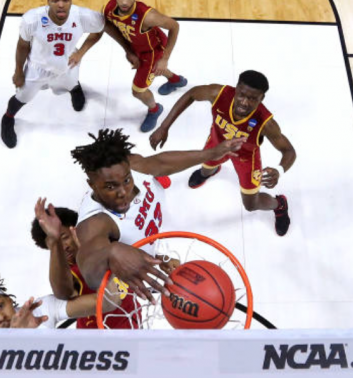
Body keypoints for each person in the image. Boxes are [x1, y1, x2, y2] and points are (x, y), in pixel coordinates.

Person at [70, 128, 245, 302]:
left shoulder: (133, 165)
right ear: (91, 185)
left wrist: (210, 154)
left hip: (150, 245)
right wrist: (111, 251)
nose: (123, 192)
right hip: (133, 274)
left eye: (126, 180)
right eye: (110, 187)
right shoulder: (95, 223)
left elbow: (160, 163)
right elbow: (90, 275)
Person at [149, 70, 296, 237]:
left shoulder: (267, 123)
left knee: (250, 204)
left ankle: (280, 205)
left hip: (246, 156)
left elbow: (289, 151)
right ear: (236, 89)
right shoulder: (218, 94)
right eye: (241, 95)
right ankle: (211, 171)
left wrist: (280, 170)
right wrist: (164, 126)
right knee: (205, 169)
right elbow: (191, 94)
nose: (244, 102)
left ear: (261, 99)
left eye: (252, 99)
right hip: (217, 143)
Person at [31, 200, 163, 329]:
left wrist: (164, 259)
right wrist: (55, 242)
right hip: (98, 338)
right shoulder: (71, 271)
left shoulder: (107, 246)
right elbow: (63, 292)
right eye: (56, 247)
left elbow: (134, 251)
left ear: (76, 230)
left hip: (132, 324)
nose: (63, 247)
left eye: (64, 238)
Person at [0, 0, 105, 148]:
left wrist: (81, 52)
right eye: (55, 0)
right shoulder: (32, 19)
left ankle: (75, 89)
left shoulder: (84, 16)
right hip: (38, 68)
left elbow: (99, 29)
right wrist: (18, 71)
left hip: (67, 65)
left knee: (72, 82)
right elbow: (22, 46)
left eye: (65, 0)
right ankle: (7, 118)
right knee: (22, 97)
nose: (60, 4)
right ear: (48, 1)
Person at [75, 0, 187, 132]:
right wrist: (128, 50)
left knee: (138, 91)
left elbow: (174, 26)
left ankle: (155, 109)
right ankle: (175, 80)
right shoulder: (108, 9)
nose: (124, 2)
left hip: (153, 51)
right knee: (153, 71)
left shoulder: (148, 16)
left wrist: (164, 59)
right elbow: (101, 30)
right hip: (137, 47)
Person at [0, 266, 120, 328]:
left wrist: (98, 259)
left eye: (0, 306)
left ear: (10, 300)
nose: (0, 317)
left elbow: (106, 303)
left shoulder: (42, 307)